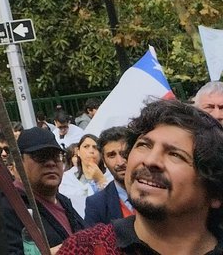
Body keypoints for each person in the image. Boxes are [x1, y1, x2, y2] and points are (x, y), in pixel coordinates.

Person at [59, 98, 223, 254]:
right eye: (144, 145)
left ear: (214, 192)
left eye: (175, 155)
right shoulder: (84, 249)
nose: (150, 160)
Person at [2, 126, 85, 254]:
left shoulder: (63, 201)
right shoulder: (9, 206)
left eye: (56, 156)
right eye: (41, 156)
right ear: (19, 162)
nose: (51, 163)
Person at [84, 125, 134, 226]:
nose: (120, 162)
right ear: (104, 161)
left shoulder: (156, 191)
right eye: (112, 155)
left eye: (124, 153)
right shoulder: (97, 204)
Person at [61, 133, 110, 218]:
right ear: (78, 152)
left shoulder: (109, 175)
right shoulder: (67, 178)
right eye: (86, 146)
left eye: (95, 147)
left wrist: (101, 180)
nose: (91, 151)